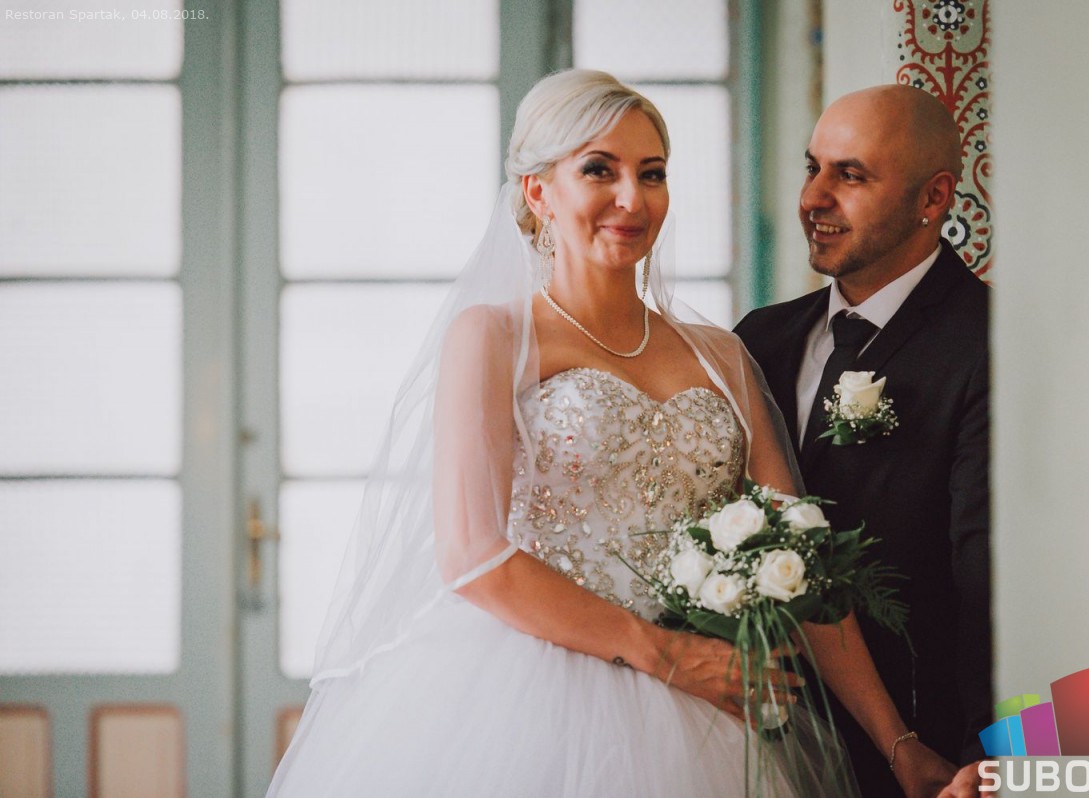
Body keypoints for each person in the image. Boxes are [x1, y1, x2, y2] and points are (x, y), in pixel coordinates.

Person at [267, 70, 953, 798]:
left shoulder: (720, 356)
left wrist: (899, 746)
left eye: (651, 173)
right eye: (600, 170)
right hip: (525, 696)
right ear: (538, 192)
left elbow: (801, 561)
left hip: (705, 717)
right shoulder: (495, 336)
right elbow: (472, 555)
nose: (633, 198)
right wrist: (664, 655)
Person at [734, 85, 992, 798]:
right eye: (811, 167)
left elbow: (992, 579)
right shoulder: (759, 338)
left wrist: (991, 755)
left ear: (933, 197)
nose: (812, 198)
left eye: (849, 175)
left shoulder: (989, 344)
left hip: (924, 754)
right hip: (753, 736)